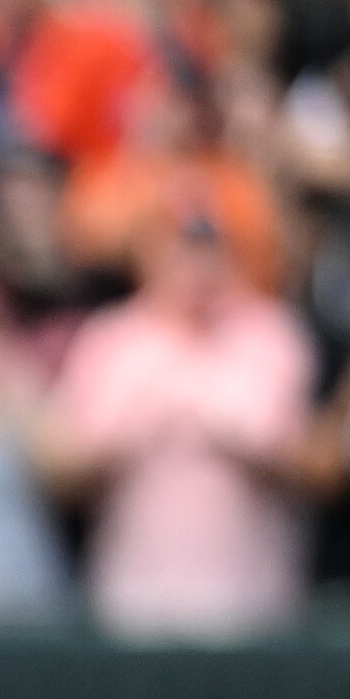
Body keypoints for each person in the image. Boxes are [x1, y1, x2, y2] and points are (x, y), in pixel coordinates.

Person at [45, 204, 317, 640]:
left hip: (253, 600)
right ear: (149, 255)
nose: (196, 267)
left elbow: (317, 466)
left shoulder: (268, 332)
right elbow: (60, 470)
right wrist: (124, 439)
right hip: (133, 597)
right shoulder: (110, 338)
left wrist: (244, 441)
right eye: (181, 250)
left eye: (207, 251)